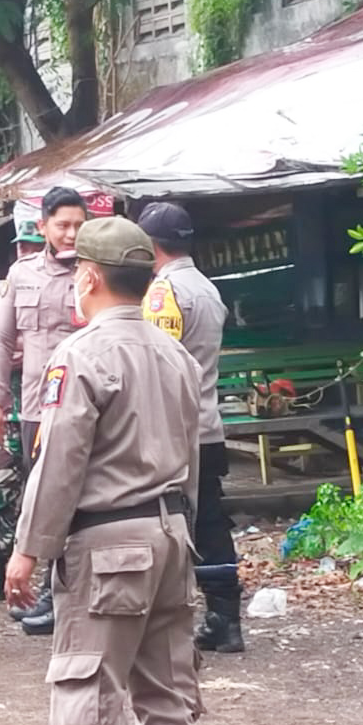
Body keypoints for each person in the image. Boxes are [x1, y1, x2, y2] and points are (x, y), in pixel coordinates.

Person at [6, 216, 207, 725]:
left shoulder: (82, 354)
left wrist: (29, 551)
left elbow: (60, 462)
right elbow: (195, 454)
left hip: (108, 540)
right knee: (167, 682)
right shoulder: (174, 354)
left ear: (88, 277)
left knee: (89, 680)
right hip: (171, 532)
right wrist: (184, 530)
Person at [0, 186, 89, 635]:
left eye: (80, 225)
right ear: (42, 226)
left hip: (83, 408)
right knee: (41, 498)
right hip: (37, 411)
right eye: (63, 225)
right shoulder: (21, 276)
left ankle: (63, 593)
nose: (71, 234)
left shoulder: (96, 272)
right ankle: (52, 590)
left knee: (81, 498)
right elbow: (2, 342)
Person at [138, 202, 244, 653]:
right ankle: (225, 616)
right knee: (212, 524)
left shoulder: (163, 294)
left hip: (174, 431)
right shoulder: (206, 287)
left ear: (148, 245)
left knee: (172, 524)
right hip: (206, 423)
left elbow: (153, 361)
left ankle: (173, 620)